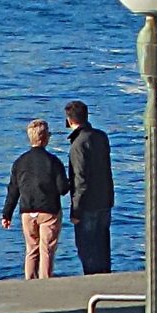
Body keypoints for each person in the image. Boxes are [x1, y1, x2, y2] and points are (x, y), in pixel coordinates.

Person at [2, 118, 67, 278]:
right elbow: (63, 189)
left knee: (31, 250)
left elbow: (13, 190)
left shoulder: (20, 162)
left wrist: (6, 214)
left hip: (27, 211)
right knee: (46, 250)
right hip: (48, 211)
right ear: (46, 138)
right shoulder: (53, 162)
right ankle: (45, 284)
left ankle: (29, 282)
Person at [61, 98, 114, 276]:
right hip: (105, 200)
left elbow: (80, 180)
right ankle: (106, 279)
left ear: (69, 120)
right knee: (103, 245)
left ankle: (94, 283)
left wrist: (75, 209)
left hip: (87, 204)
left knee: (88, 249)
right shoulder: (101, 137)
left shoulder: (78, 145)